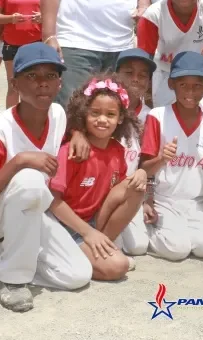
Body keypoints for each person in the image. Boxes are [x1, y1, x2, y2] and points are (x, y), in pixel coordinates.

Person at [0, 43, 92, 313]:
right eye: (31, 76)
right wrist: (19, 161)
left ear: (60, 83)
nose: (42, 84)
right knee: (31, 178)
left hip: (29, 209)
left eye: (50, 76)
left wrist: (78, 134)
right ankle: (11, 279)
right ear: (15, 83)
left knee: (77, 275)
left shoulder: (57, 114)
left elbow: (68, 130)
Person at [51, 76, 147, 281]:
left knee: (136, 185)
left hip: (95, 221)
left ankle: (102, 244)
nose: (102, 120)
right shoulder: (72, 150)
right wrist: (87, 232)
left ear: (120, 118)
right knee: (118, 267)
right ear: (84, 113)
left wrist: (142, 172)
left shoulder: (117, 150)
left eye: (110, 114)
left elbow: (119, 190)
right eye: (95, 113)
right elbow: (53, 200)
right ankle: (74, 253)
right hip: (66, 226)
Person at [66, 49, 157, 257]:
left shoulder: (151, 116)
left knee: (138, 246)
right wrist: (76, 132)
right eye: (128, 72)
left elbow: (147, 164)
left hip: (119, 194)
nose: (135, 79)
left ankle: (99, 247)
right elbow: (77, 118)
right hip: (90, 196)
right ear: (116, 75)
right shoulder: (95, 109)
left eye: (142, 75)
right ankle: (95, 247)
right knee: (128, 250)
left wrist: (148, 199)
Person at [139, 52, 203, 261]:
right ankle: (149, 232)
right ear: (171, 84)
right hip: (164, 200)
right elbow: (144, 170)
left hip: (197, 202)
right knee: (178, 250)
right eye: (183, 85)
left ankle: (183, 231)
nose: (190, 92)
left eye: (197, 85)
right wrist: (161, 159)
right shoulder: (157, 116)